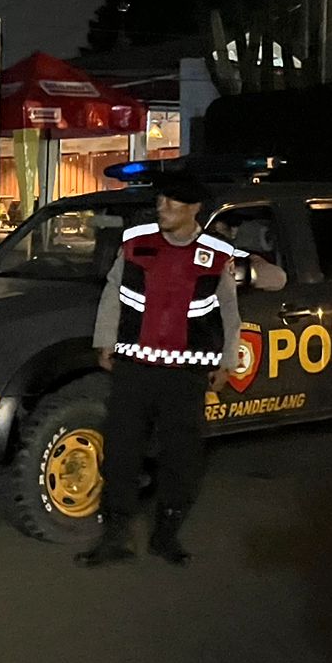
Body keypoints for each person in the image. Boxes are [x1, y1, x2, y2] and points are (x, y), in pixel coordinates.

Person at [82, 172, 241, 567]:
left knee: (181, 457)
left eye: (171, 202)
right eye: (160, 201)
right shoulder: (137, 241)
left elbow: (228, 310)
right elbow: (113, 293)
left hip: (185, 373)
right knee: (121, 453)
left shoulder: (216, 252)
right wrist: (105, 340)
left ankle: (166, 536)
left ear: (194, 208)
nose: (161, 207)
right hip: (135, 366)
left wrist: (227, 360)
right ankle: (114, 537)